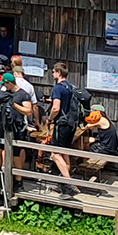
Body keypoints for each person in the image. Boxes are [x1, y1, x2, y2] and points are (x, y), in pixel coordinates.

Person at [48, 62, 77, 200]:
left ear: (59, 73)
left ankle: (69, 184)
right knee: (65, 153)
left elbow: (56, 108)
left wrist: (49, 118)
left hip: (61, 124)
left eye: (53, 71)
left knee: (55, 154)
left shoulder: (58, 88)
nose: (53, 74)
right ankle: (66, 185)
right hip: (72, 124)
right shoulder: (71, 87)